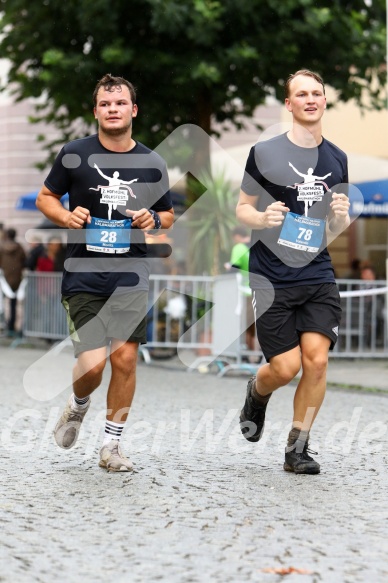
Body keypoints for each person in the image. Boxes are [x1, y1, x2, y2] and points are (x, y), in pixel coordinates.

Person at [36, 73, 174, 472]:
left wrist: (153, 218)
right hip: (83, 274)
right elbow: (47, 197)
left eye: (119, 103)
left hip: (130, 274)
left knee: (126, 359)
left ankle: (111, 448)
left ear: (133, 110)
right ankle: (78, 405)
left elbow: (166, 212)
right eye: (105, 104)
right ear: (95, 111)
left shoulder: (152, 162)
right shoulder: (74, 154)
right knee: (93, 365)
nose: (112, 110)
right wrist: (65, 215)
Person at [236, 69, 350, 474]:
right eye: (301, 94)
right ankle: (257, 391)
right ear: (289, 104)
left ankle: (297, 449)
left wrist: (339, 217)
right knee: (285, 367)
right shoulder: (265, 152)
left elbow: (332, 229)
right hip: (272, 275)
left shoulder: (337, 158)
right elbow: (243, 207)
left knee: (316, 362)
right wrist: (263, 216)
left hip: (317, 273)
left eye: (316, 93)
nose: (310, 99)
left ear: (323, 100)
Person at [225, 226, 257, 358]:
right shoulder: (257, 245)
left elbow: (234, 269)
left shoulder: (239, 248)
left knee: (245, 324)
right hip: (261, 291)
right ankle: (254, 356)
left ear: (237, 236)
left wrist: (228, 267)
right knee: (254, 325)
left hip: (245, 293)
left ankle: (249, 356)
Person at [0, 228, 26, 336]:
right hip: (16, 279)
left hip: (4, 278)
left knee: (2, 303)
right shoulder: (19, 248)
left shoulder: (1, 247)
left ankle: (4, 326)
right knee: (13, 304)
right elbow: (24, 260)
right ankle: (12, 326)